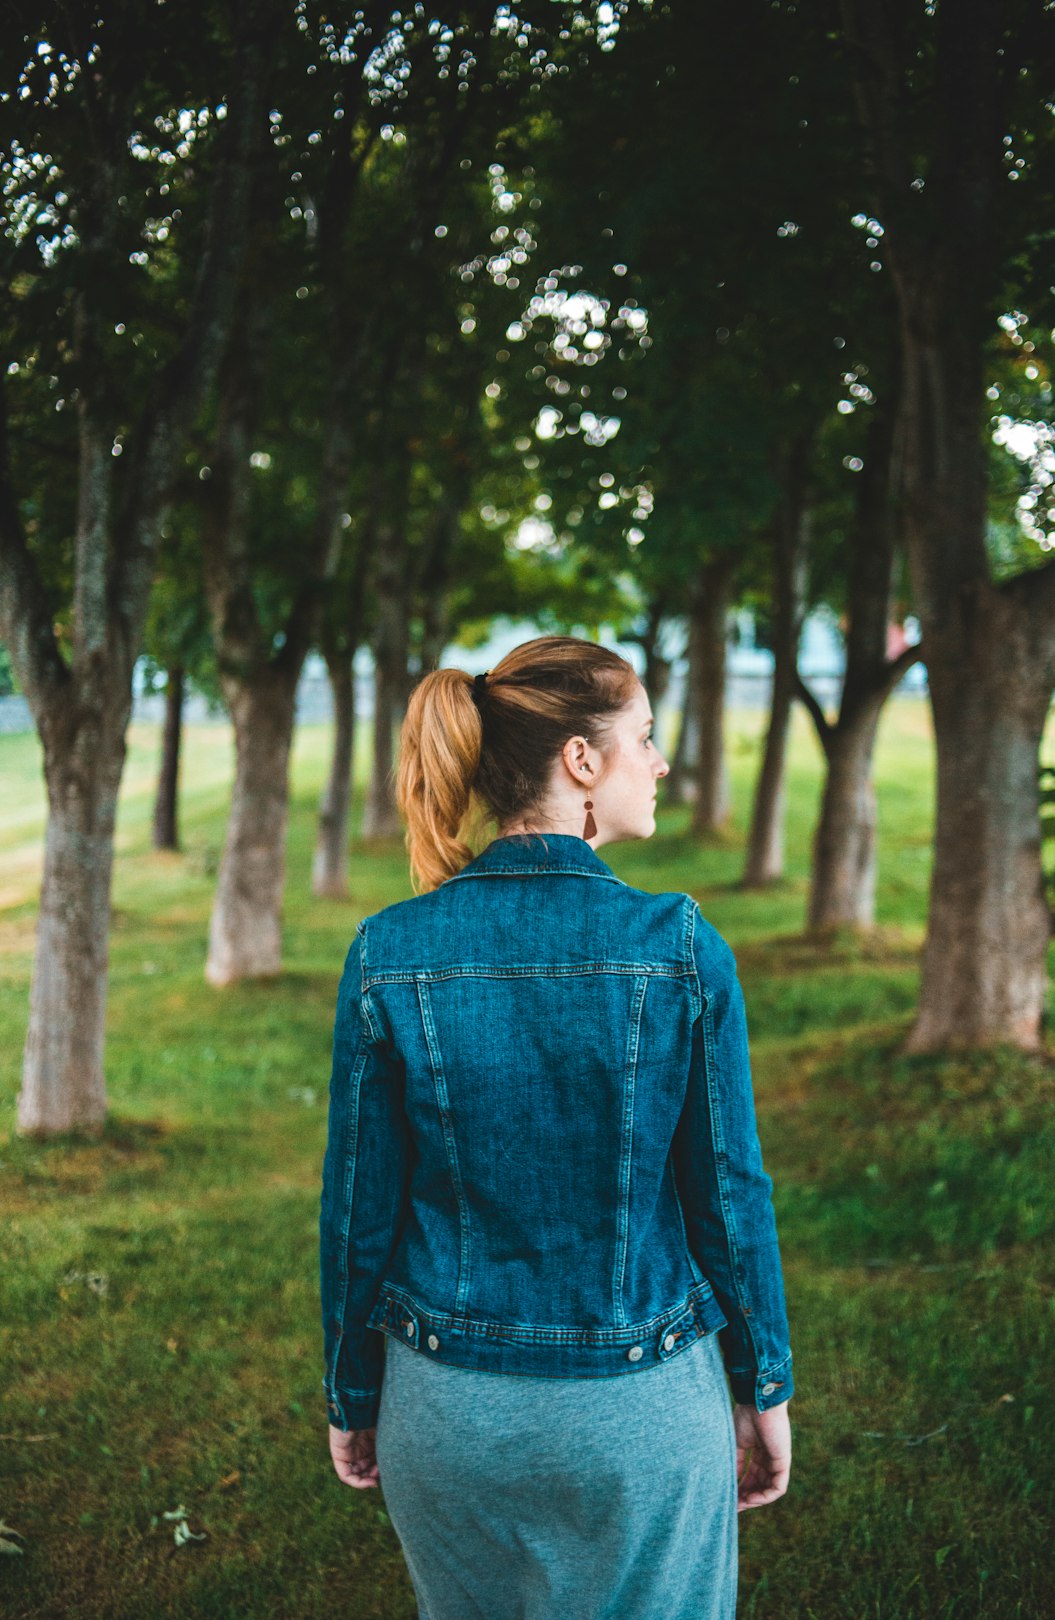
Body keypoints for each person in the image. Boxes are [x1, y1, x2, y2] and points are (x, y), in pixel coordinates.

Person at [319, 634, 793, 1620]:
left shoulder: (388, 952)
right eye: (648, 738)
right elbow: (730, 1197)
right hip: (642, 1416)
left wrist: (352, 1393)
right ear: (581, 760)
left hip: (444, 1416)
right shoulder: (680, 946)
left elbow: (358, 1209)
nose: (662, 764)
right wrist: (765, 1385)